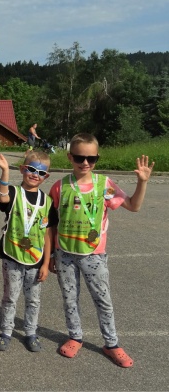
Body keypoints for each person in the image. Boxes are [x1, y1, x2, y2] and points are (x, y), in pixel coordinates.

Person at [49, 133, 154, 368]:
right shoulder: (59, 187)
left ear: (97, 158)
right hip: (64, 253)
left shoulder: (103, 185)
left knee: (103, 300)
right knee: (70, 299)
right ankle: (75, 336)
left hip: (94, 254)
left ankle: (111, 343)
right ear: (69, 157)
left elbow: (133, 206)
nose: (85, 162)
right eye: (79, 157)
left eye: (91, 158)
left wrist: (142, 182)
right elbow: (53, 222)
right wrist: (50, 256)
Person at [0, 150, 57, 352]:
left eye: (41, 172)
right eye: (31, 169)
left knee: (33, 299)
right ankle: (6, 331)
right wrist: (4, 171)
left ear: (46, 176)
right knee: (10, 297)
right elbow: (1, 198)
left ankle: (30, 332)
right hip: (12, 255)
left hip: (36, 260)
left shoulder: (47, 202)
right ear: (23, 169)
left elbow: (48, 233)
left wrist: (46, 262)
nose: (35, 174)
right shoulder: (13, 193)